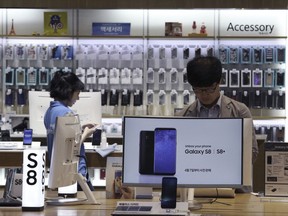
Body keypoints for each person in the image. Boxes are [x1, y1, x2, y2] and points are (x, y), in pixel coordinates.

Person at [176, 56, 258, 164]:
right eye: (198, 90)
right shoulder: (182, 116)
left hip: (229, 176)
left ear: (219, 81)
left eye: (210, 88)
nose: (204, 94)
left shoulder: (240, 111)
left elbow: (252, 152)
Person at [44, 70, 97, 191]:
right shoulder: (67, 113)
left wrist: (79, 128)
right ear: (69, 92)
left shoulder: (50, 111)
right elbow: (72, 146)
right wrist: (86, 134)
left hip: (59, 173)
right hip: (75, 174)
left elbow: (61, 138)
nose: (78, 97)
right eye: (77, 93)